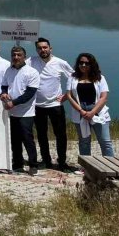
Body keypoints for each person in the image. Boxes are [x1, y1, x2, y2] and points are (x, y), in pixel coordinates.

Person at [27, 38, 74, 171]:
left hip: (55, 105)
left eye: (45, 47)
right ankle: (46, 160)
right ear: (37, 50)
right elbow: (18, 68)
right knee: (42, 135)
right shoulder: (31, 61)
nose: (43, 50)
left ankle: (62, 162)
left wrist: (66, 95)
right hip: (38, 105)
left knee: (61, 135)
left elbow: (73, 78)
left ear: (50, 48)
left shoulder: (60, 63)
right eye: (40, 48)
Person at [1, 46, 41, 175]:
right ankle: (17, 163)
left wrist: (14, 102)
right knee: (14, 140)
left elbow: (30, 93)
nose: (16, 57)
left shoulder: (32, 72)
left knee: (27, 139)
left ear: (24, 56)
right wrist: (4, 93)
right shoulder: (9, 70)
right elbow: (4, 85)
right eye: (14, 55)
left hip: (26, 112)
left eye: (19, 55)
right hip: (11, 112)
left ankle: (33, 165)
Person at [66, 53, 114, 158]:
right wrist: (81, 111)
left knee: (105, 142)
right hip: (80, 113)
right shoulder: (72, 77)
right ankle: (86, 167)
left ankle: (110, 165)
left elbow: (104, 97)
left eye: (86, 63)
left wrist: (92, 112)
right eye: (81, 63)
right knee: (84, 141)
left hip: (97, 112)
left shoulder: (100, 78)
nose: (83, 65)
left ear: (92, 64)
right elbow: (69, 96)